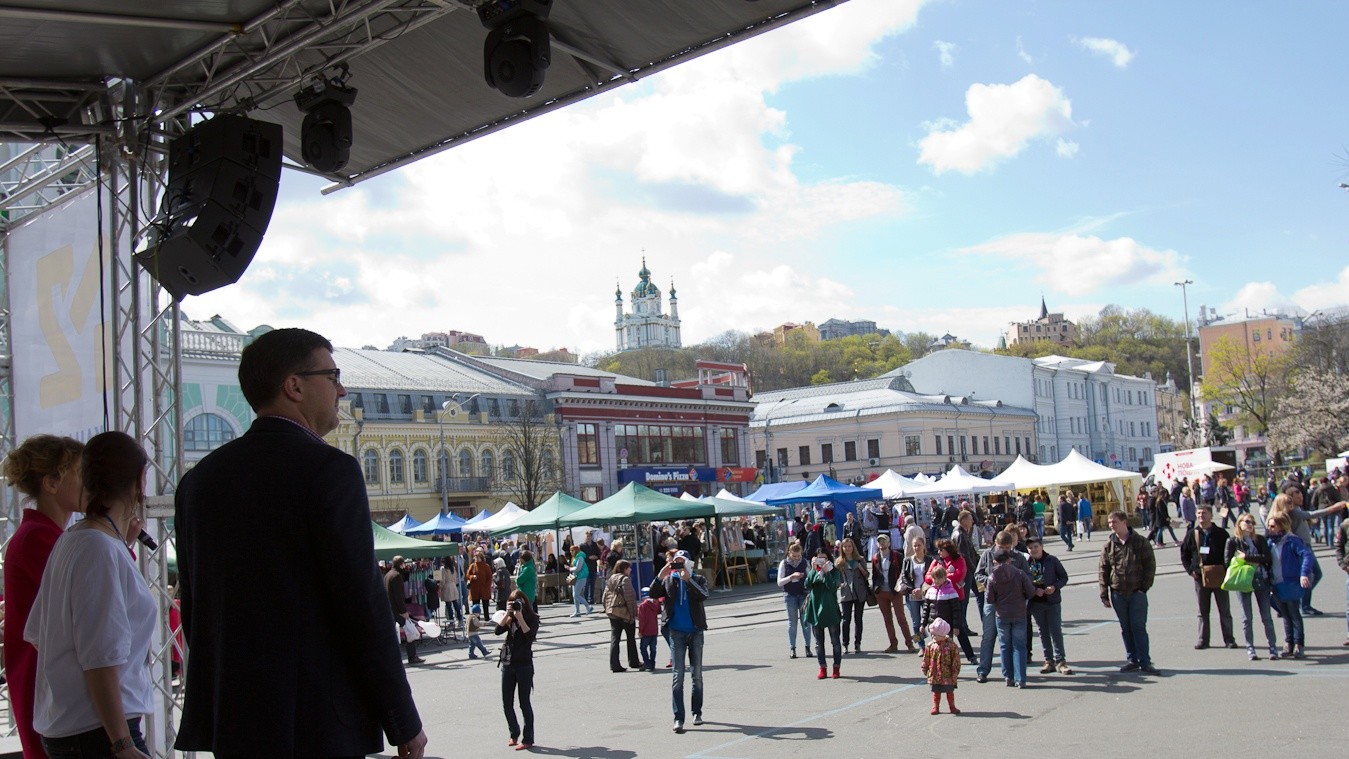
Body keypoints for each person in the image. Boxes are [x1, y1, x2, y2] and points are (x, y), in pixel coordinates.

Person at [173, 328, 424, 759]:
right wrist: (403, 720)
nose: (342, 390)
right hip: (315, 723)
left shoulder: (198, 482)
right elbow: (360, 603)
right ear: (294, 386)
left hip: (235, 721)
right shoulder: (330, 470)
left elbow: (196, 608)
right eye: (333, 376)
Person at [23, 432, 152, 758]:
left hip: (80, 728)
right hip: (99, 732)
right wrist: (122, 742)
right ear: (140, 480)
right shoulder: (97, 548)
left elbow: (39, 634)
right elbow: (100, 659)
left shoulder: (73, 540)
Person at [2, 433, 84, 758]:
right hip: (45, 686)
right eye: (81, 473)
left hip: (46, 682)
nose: (90, 482)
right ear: (51, 483)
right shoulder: (38, 538)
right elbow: (92, 588)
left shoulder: (42, 535)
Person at [1099, 510, 1160, 674]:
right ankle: (1132, 659)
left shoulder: (1140, 542)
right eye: (1110, 522)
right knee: (1126, 628)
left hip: (1136, 592)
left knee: (1138, 627)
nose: (1111, 525)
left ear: (1124, 522)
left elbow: (1150, 566)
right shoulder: (1109, 545)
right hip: (1118, 593)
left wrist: (1143, 588)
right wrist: (1104, 593)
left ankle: (1145, 661)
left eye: (1114, 522)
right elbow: (1103, 570)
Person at [653, 551, 708, 732]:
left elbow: (703, 595)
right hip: (676, 632)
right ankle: (678, 718)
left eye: (681, 562)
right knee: (678, 676)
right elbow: (653, 593)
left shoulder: (698, 579)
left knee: (697, 675)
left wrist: (688, 580)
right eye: (676, 562)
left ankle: (697, 712)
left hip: (695, 631)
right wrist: (660, 576)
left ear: (688, 563)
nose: (678, 566)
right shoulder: (669, 580)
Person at [1180, 505, 1236, 650]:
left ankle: (1229, 639)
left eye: (1204, 513)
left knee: (1224, 610)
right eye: (1198, 513)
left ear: (1211, 515)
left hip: (1219, 575)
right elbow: (1184, 553)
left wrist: (1227, 569)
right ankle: (1203, 640)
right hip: (1200, 576)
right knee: (1202, 611)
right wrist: (1190, 570)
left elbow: (1230, 553)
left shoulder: (1221, 533)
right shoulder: (1192, 534)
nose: (1201, 516)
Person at [1226, 513, 1280, 660]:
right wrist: (1249, 561)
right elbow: (1227, 562)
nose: (1250, 525)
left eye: (1252, 522)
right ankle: (1250, 648)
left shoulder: (1259, 539)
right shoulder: (1233, 541)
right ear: (1239, 523)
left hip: (1261, 579)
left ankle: (1272, 647)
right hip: (1242, 581)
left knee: (1266, 616)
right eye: (1247, 522)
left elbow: (1267, 558)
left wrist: (1246, 558)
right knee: (1246, 618)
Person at [495, 589, 539, 750]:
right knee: (507, 703)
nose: (515, 606)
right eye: (512, 603)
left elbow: (530, 637)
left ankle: (528, 739)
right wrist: (507, 614)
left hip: (524, 665)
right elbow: (497, 631)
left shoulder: (532, 618)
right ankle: (514, 733)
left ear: (524, 603)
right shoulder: (509, 618)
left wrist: (520, 617)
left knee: (524, 703)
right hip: (508, 664)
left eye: (517, 603)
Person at [1265, 514, 1314, 659]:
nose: (1269, 528)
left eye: (1273, 526)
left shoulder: (1292, 540)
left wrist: (1303, 574)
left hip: (1291, 582)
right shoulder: (1270, 542)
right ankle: (1289, 643)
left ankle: (1299, 644)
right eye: (1269, 526)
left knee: (1294, 613)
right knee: (1285, 614)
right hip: (1276, 583)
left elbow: (1307, 555)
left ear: (1282, 526)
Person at [986, 548, 1034, 688]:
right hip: (1019, 613)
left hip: (1002, 614)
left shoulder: (992, 577)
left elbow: (989, 599)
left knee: (1005, 646)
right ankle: (1021, 678)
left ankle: (1008, 676)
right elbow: (1030, 591)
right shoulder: (1019, 573)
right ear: (1009, 559)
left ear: (995, 561)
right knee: (1019, 646)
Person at [1025, 537, 1072, 675]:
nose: (1033, 550)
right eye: (1030, 548)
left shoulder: (1052, 560)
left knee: (1055, 630)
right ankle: (1048, 660)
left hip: (1052, 601)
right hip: (1036, 603)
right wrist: (1034, 590)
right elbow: (1023, 581)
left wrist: (1054, 587)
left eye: (1035, 546)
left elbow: (1063, 577)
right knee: (1043, 631)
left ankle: (1061, 661)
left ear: (1041, 546)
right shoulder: (1026, 563)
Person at [930, 539, 976, 665]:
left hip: (956, 599)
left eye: (941, 550)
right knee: (942, 630)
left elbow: (959, 575)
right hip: (940, 600)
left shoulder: (959, 559)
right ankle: (946, 658)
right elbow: (928, 576)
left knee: (959, 628)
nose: (939, 552)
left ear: (948, 550)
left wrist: (941, 576)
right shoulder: (937, 561)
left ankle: (971, 656)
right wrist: (945, 575)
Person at [870, 533, 915, 653]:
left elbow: (904, 572)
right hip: (881, 593)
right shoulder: (875, 557)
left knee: (901, 618)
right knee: (887, 620)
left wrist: (903, 587)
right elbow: (874, 575)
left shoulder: (897, 555)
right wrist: (875, 589)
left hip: (895, 591)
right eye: (880, 541)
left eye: (884, 541)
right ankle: (893, 644)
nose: (882, 543)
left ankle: (909, 643)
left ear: (889, 543)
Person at [805, 549, 843, 680]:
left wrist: (826, 573)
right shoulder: (813, 571)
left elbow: (832, 587)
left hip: (830, 609)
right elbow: (807, 585)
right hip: (815, 609)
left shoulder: (834, 571)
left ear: (829, 559)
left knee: (835, 641)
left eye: (824, 558)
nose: (821, 561)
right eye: (819, 558)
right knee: (818, 643)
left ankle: (836, 667)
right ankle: (822, 667)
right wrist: (812, 569)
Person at [603, 559, 641, 673]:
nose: (630, 570)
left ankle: (614, 664)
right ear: (624, 569)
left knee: (615, 638)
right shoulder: (625, 579)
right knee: (630, 638)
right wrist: (633, 614)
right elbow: (629, 598)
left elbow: (605, 596)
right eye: (628, 568)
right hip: (624, 613)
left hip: (613, 612)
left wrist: (607, 609)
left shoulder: (611, 578)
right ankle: (633, 661)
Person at [777, 542, 814, 659]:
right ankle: (792, 648)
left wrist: (805, 577)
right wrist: (791, 577)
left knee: (805, 622)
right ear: (789, 553)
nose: (797, 558)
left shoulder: (805, 562)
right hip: (790, 595)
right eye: (794, 556)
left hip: (803, 594)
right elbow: (779, 582)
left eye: (798, 556)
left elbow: (811, 577)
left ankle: (808, 647)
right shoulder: (784, 563)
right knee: (792, 623)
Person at [386, 556, 425, 665]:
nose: (405, 566)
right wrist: (403, 611)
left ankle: (391, 659)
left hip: (389, 609)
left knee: (391, 635)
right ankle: (412, 657)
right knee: (410, 632)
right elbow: (398, 596)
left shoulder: (388, 575)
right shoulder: (397, 576)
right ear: (401, 564)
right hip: (398, 610)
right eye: (403, 564)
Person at [899, 536, 936, 649]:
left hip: (926, 593)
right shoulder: (907, 561)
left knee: (931, 620)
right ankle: (921, 646)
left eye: (919, 545)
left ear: (924, 546)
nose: (917, 548)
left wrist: (922, 589)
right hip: (912, 595)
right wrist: (913, 589)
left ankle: (935, 642)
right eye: (914, 545)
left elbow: (933, 576)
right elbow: (904, 577)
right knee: (916, 622)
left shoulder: (930, 560)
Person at [920, 618, 961, 715]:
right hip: (935, 673)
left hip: (948, 674)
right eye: (932, 634)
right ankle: (935, 706)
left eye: (935, 635)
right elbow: (927, 658)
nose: (933, 636)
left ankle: (952, 706)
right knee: (936, 691)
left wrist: (955, 671)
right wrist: (924, 667)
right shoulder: (931, 645)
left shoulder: (951, 646)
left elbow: (956, 660)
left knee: (949, 691)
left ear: (942, 635)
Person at [836, 537, 868, 654]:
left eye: (849, 546)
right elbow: (836, 578)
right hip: (846, 593)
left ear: (853, 547)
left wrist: (860, 567)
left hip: (859, 592)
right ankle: (845, 644)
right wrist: (840, 584)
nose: (847, 549)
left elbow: (867, 575)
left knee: (858, 619)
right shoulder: (839, 562)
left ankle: (857, 643)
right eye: (845, 547)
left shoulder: (860, 559)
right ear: (842, 548)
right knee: (846, 620)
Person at [638, 593, 662, 671]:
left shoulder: (642, 606)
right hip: (654, 630)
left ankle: (647, 663)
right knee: (653, 648)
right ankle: (652, 663)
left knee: (643, 648)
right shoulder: (655, 605)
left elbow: (642, 620)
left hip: (646, 631)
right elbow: (659, 611)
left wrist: (640, 631)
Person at [569, 545, 593, 617]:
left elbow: (578, 568)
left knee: (576, 594)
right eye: (570, 550)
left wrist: (570, 569)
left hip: (581, 577)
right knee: (575, 595)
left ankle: (588, 606)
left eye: (572, 550)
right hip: (576, 577)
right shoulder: (575, 557)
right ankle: (577, 611)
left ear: (576, 550)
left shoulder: (580, 557)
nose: (571, 552)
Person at [581, 532, 603, 604]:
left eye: (589, 536)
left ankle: (591, 599)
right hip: (586, 567)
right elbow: (581, 556)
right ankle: (586, 599)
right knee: (586, 584)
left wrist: (595, 557)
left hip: (593, 566)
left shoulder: (594, 545)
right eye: (587, 536)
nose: (588, 538)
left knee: (592, 584)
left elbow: (599, 554)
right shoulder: (582, 546)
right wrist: (588, 557)